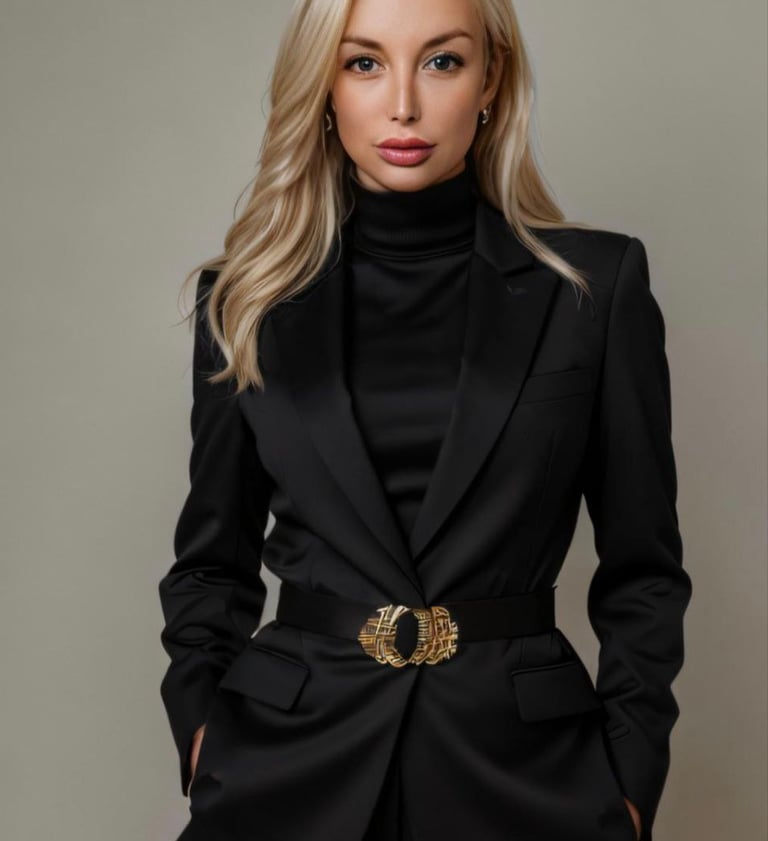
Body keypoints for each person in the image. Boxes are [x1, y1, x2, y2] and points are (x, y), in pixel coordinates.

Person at [158, 1, 692, 840]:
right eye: (363, 63)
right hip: (286, 767)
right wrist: (202, 732)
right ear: (324, 87)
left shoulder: (593, 288)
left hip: (526, 773)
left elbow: (644, 570)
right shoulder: (244, 300)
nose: (403, 104)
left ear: (491, 81)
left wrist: (630, 772)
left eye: (442, 61)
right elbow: (211, 565)